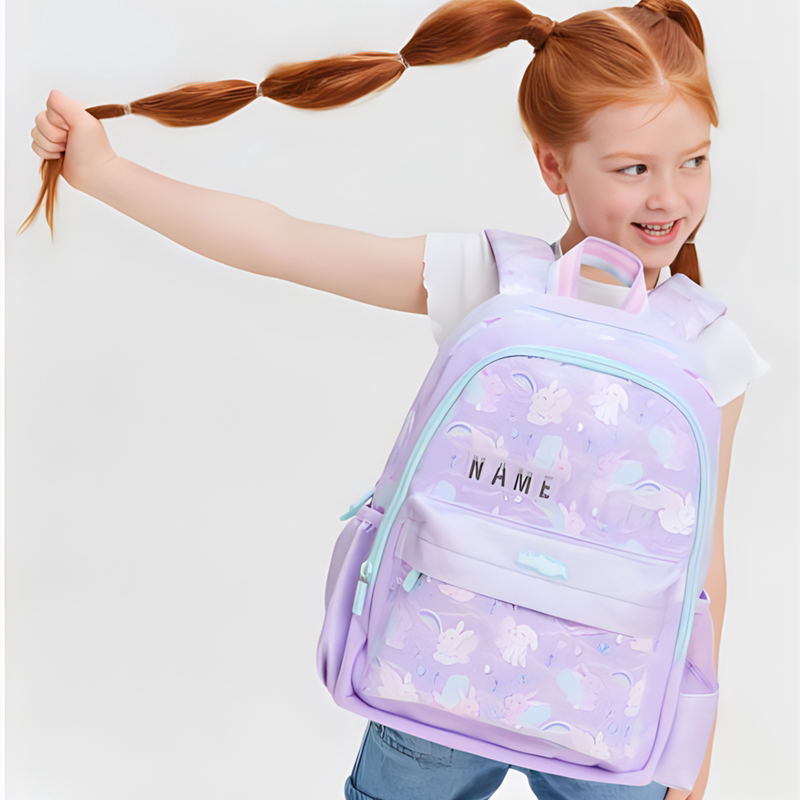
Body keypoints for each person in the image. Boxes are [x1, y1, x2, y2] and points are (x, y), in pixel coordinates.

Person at [26, 0, 767, 798]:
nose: (670, 198)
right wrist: (103, 171)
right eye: (634, 169)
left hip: (511, 677)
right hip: (511, 684)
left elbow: (704, 565)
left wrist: (694, 747)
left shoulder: (708, 345)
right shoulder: (491, 277)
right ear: (553, 167)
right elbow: (283, 242)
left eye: (694, 161)